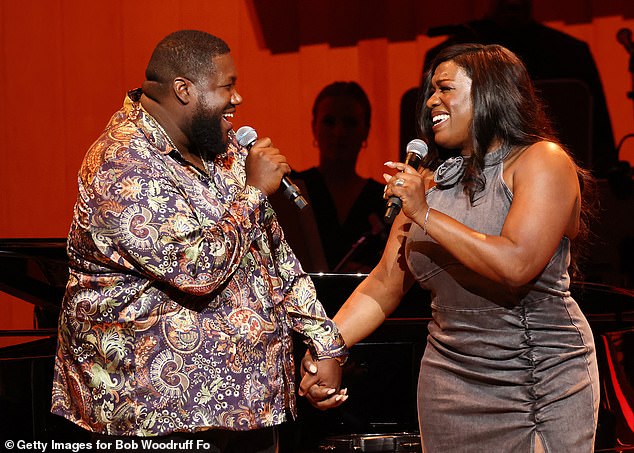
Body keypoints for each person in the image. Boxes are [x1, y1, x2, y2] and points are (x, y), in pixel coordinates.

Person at [51, 30, 348, 452]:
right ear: (184, 89)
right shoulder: (121, 161)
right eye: (228, 85)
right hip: (157, 417)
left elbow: (276, 256)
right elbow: (196, 268)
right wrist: (254, 194)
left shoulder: (223, 151)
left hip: (249, 410)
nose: (238, 98)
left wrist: (325, 343)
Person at [301, 43, 600, 452]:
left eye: (444, 88)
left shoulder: (542, 162)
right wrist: (328, 345)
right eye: (429, 91)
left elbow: (517, 263)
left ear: (490, 92)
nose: (430, 102)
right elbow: (385, 283)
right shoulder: (428, 185)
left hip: (537, 382)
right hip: (449, 386)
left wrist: (426, 215)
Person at [401, 0, 618, 177]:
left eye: (446, 89)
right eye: (435, 91)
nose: (433, 101)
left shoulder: (569, 54)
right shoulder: (447, 55)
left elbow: (600, 139)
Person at [274, 82, 387, 273]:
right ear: (314, 127)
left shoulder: (384, 198)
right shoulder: (290, 186)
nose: (339, 132)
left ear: (366, 130)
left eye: (350, 122)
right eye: (329, 122)